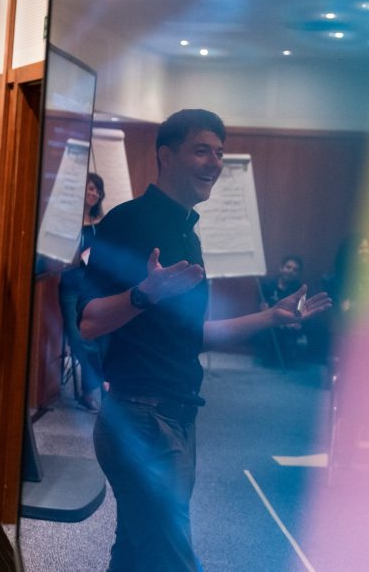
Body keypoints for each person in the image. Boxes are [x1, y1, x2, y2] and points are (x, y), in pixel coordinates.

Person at [78, 109, 330, 571]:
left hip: (175, 416)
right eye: (201, 150)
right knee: (174, 558)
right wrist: (143, 295)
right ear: (166, 156)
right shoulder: (129, 223)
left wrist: (269, 316)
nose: (214, 161)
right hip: (139, 421)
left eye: (218, 152)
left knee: (134, 551)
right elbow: (89, 321)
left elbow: (191, 337)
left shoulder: (186, 232)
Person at [59, 173, 107, 411]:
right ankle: (101, 382)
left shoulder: (101, 222)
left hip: (93, 286)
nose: (93, 194)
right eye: (89, 189)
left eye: (97, 191)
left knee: (101, 339)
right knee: (79, 341)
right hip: (70, 284)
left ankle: (89, 391)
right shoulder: (67, 220)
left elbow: (107, 254)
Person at [257, 255, 307, 364]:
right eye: (288, 267)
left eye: (295, 270)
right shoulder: (267, 286)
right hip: (271, 321)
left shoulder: (301, 290)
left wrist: (294, 321)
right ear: (281, 268)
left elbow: (300, 310)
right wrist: (277, 321)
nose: (290, 271)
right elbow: (263, 309)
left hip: (289, 322)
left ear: (297, 274)